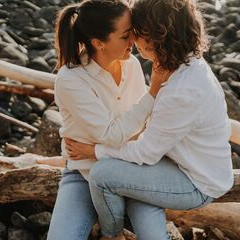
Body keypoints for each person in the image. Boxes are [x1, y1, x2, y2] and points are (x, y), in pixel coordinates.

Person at [64, 0, 234, 239]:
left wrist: (95, 151)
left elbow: (146, 153)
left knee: (103, 174)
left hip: (196, 181)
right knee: (142, 209)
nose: (132, 39)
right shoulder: (181, 63)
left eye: (137, 32)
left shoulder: (183, 89)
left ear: (158, 37)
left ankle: (111, 234)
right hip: (176, 162)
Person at [47, 0, 171, 240]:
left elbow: (140, 126)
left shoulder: (131, 64)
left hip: (133, 169)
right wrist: (153, 93)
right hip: (84, 172)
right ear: (98, 43)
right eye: (125, 36)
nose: (134, 41)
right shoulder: (70, 79)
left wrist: (96, 150)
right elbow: (113, 134)